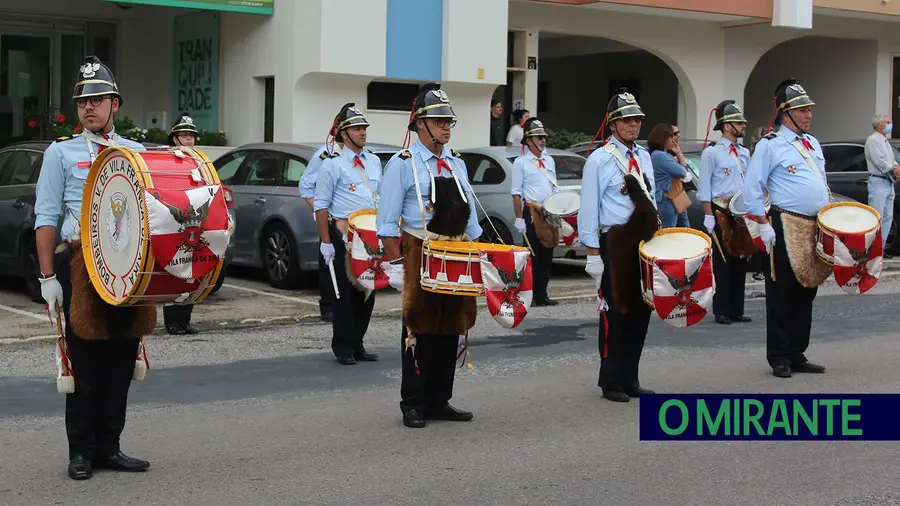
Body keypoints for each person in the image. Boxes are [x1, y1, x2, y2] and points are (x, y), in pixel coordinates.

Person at [34, 55, 153, 480]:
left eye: (99, 99)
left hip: (128, 267)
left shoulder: (135, 154)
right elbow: (46, 218)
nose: (90, 107)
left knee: (121, 358)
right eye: (83, 100)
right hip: (82, 266)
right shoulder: (60, 154)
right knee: (84, 362)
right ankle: (80, 450)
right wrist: (48, 277)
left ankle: (110, 446)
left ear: (115, 104)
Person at [376, 87, 482, 428]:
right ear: (420, 125)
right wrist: (395, 265)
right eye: (439, 121)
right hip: (419, 249)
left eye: (449, 121)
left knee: (451, 325)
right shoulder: (402, 164)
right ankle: (414, 401)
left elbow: (473, 218)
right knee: (418, 328)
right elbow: (387, 223)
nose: (446, 128)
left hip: (456, 250)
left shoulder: (456, 162)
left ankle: (440, 399)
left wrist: (481, 254)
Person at [743, 79, 830, 379]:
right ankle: (779, 355)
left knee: (808, 288)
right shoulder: (769, 145)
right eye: (800, 110)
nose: (807, 115)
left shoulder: (813, 143)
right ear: (784, 113)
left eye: (808, 109)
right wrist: (762, 224)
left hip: (813, 225)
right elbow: (751, 188)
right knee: (781, 290)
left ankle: (797, 351)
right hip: (783, 222)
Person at [578, 88, 659, 403]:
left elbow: (649, 197)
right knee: (615, 312)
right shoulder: (599, 160)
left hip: (643, 241)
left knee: (641, 311)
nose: (632, 125)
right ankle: (611, 380)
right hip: (614, 241)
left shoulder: (643, 156)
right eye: (626, 120)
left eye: (636, 120)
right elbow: (589, 207)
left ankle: (631, 377)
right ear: (612, 124)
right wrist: (593, 254)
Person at [314, 103, 381, 365]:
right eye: (356, 128)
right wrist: (326, 242)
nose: (363, 132)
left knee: (367, 292)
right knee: (343, 294)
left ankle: (358, 342)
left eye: (364, 127)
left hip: (371, 237)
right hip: (344, 235)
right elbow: (321, 206)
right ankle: (343, 346)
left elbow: (382, 198)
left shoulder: (374, 161)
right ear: (343, 134)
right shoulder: (332, 165)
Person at [699, 100, 753, 325]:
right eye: (738, 122)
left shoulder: (744, 152)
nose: (743, 126)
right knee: (723, 262)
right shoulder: (712, 153)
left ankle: (736, 309)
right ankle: (721, 309)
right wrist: (708, 215)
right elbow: (704, 187)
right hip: (721, 209)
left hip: (741, 210)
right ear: (727, 126)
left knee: (741, 258)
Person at [299, 115, 345, 323]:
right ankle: (328, 305)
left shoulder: (363, 157)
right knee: (329, 265)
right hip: (331, 220)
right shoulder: (326, 155)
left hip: (355, 223)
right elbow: (306, 186)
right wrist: (321, 212)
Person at [511, 117, 559, 307]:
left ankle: (542, 294)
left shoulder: (549, 160)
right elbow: (516, 193)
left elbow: (554, 186)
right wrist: (519, 219)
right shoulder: (521, 162)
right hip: (531, 211)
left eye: (543, 137)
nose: (543, 140)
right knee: (532, 256)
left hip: (549, 210)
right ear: (529, 141)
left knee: (548, 253)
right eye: (539, 137)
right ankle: (529, 295)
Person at [163, 113, 201, 335]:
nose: (189, 140)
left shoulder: (198, 159)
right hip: (174, 219)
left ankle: (185, 319)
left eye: (191, 136)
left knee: (192, 272)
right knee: (174, 271)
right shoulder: (169, 159)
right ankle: (172, 322)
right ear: (175, 138)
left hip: (194, 221)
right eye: (185, 136)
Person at [865, 114, 898, 256]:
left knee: (888, 216)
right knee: (876, 217)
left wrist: (896, 167)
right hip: (878, 181)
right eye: (887, 122)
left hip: (888, 182)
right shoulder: (872, 140)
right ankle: (872, 249)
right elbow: (879, 161)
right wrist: (893, 169)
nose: (890, 124)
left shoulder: (885, 141)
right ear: (878, 124)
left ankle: (880, 248)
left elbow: (891, 159)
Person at [648, 123, 692, 228]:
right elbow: (683, 173)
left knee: (684, 231)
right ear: (664, 138)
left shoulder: (663, 155)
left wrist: (678, 153)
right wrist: (678, 158)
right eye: (671, 136)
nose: (673, 140)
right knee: (669, 233)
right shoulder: (659, 156)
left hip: (674, 197)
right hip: (666, 200)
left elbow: (684, 172)